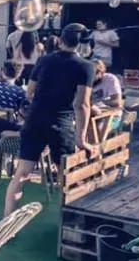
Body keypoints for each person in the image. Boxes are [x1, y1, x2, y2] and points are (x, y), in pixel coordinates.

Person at [5, 23, 95, 216]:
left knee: (22, 173)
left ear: (61, 40)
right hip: (60, 123)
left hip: (35, 120)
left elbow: (29, 92)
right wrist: (81, 140)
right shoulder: (86, 66)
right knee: (67, 175)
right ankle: (68, 221)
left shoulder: (44, 60)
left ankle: (6, 220)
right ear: (83, 43)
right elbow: (82, 104)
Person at [91, 58, 124, 130]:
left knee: (98, 128)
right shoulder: (84, 79)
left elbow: (117, 102)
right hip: (91, 114)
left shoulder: (110, 79)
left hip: (112, 116)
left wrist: (100, 103)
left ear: (100, 73)